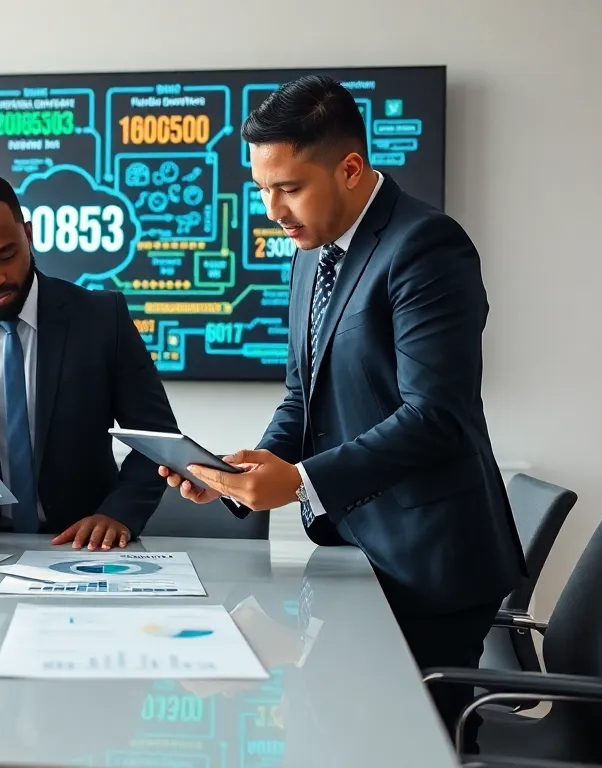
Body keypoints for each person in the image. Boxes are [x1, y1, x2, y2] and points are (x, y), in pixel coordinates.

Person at [159, 76, 526, 749]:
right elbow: (303, 395)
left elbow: (435, 414)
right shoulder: (312, 252)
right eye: (263, 189)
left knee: (395, 747)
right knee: (326, 735)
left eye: (289, 187)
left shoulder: (427, 247)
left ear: (350, 169)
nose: (273, 208)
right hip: (359, 555)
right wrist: (242, 471)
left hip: (428, 564)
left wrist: (298, 481)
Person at [0, 171, 178, 548]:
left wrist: (119, 513)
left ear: (27, 235)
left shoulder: (101, 319)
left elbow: (157, 440)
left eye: (6, 255)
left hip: (87, 549)